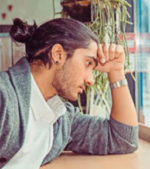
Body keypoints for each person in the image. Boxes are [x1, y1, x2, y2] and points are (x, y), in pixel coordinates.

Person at [0, 18, 138, 169]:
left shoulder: (61, 120)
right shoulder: (4, 98)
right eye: (87, 63)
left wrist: (116, 72)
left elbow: (123, 139)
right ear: (58, 54)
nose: (90, 80)